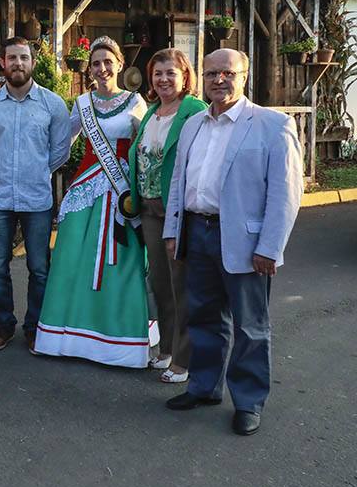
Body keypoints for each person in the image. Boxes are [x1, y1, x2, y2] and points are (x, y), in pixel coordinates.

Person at [163, 48, 302, 437]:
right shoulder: (193, 124)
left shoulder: (273, 125)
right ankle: (204, 387)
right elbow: (179, 182)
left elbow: (286, 193)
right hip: (197, 232)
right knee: (204, 319)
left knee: (250, 326)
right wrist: (173, 231)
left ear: (244, 76)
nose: (219, 80)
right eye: (211, 73)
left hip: (246, 241)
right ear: (202, 79)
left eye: (227, 72)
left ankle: (248, 402)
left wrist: (269, 248)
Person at [34, 36, 150, 367]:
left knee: (121, 263)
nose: (101, 69)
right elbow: (63, 141)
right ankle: (65, 337)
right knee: (71, 256)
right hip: (85, 187)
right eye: (95, 63)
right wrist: (39, 168)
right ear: (90, 70)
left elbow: (144, 145)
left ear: (119, 65)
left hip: (121, 192)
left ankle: (119, 340)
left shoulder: (134, 101)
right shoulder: (82, 103)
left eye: (107, 62)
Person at [0, 38, 71, 353]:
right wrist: (1, 175)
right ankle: (3, 325)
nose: (18, 63)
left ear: (32, 62)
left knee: (39, 267)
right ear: (2, 62)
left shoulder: (53, 104)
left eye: (24, 57)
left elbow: (60, 150)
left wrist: (37, 172)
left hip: (37, 199)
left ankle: (35, 326)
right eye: (12, 58)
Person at [128, 49, 206, 383]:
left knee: (181, 285)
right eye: (157, 73)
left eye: (170, 73)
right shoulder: (152, 112)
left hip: (177, 211)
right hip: (147, 208)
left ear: (185, 76)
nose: (163, 79)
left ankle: (184, 360)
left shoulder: (195, 111)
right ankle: (166, 349)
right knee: (159, 283)